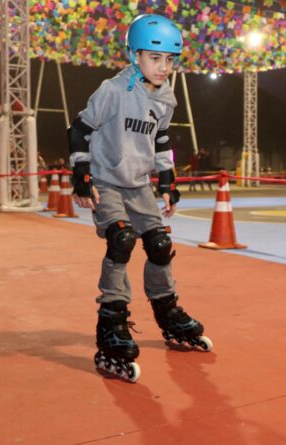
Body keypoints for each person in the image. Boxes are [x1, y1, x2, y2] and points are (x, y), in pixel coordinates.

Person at [67, 14, 210, 382]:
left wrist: (168, 181)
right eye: (154, 58)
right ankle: (111, 325)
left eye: (170, 60)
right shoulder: (113, 90)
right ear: (134, 56)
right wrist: (81, 176)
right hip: (107, 182)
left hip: (139, 185)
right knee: (122, 238)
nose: (164, 67)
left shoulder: (166, 98)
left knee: (160, 244)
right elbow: (80, 129)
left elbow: (160, 141)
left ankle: (167, 311)